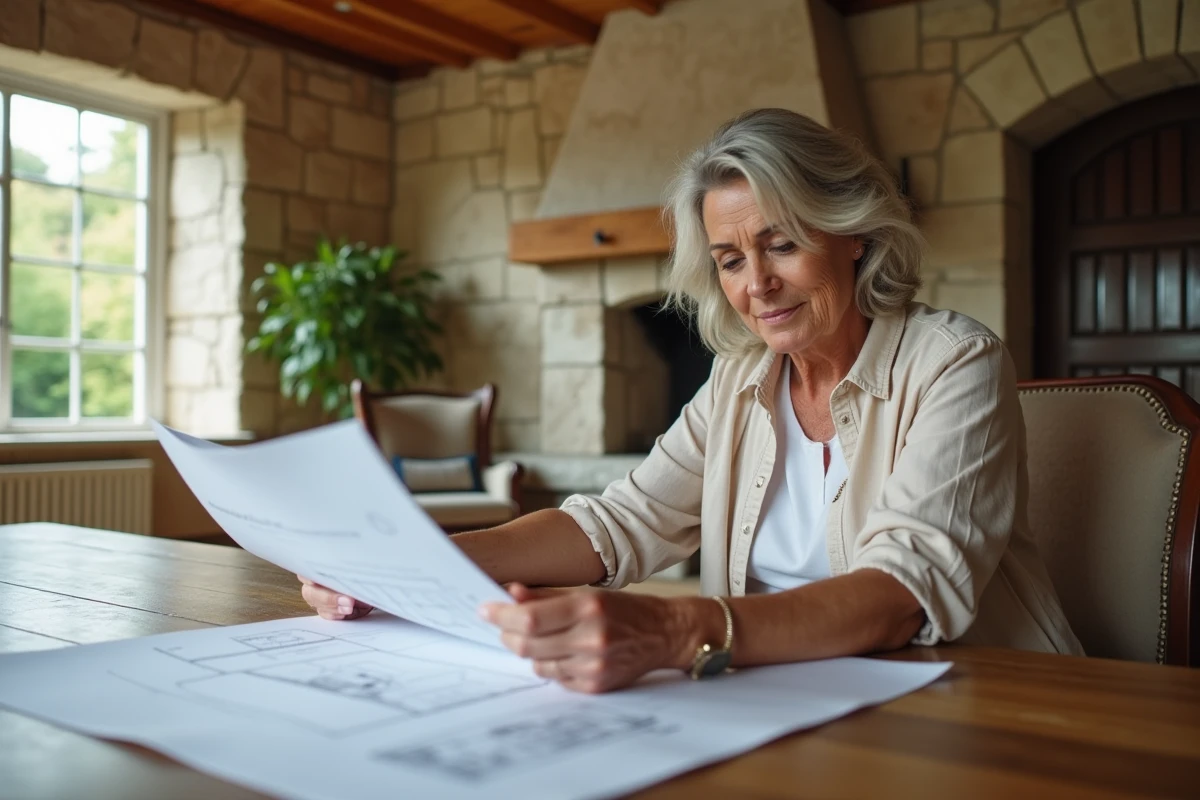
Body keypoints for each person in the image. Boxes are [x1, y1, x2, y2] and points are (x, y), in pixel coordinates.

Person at [300, 108, 1083, 693]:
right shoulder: (740, 380)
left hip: (970, 698)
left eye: (781, 243)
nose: (756, 285)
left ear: (852, 233)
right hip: (776, 693)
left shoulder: (956, 361)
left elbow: (903, 593)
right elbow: (618, 524)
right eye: (731, 259)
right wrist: (405, 565)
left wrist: (680, 627)